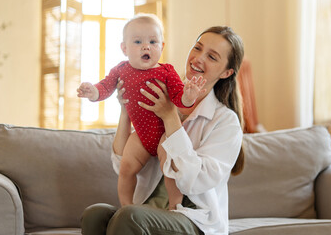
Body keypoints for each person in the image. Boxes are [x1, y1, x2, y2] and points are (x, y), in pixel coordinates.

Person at [81, 25, 245, 235]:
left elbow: (194, 182)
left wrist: (170, 116)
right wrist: (125, 110)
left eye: (212, 57)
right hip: (147, 211)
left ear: (226, 72)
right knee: (95, 214)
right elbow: (121, 164)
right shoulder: (162, 92)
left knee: (129, 216)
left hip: (193, 219)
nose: (198, 58)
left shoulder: (225, 121)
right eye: (197, 48)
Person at [77, 13, 206, 209]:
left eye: (153, 41)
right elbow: (105, 87)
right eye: (138, 42)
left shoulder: (167, 72)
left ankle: (175, 205)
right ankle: (126, 207)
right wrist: (93, 92)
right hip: (141, 136)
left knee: (169, 168)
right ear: (124, 49)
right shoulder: (120, 70)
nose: (146, 46)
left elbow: (179, 99)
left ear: (161, 47)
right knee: (126, 168)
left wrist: (189, 96)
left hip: (164, 134)